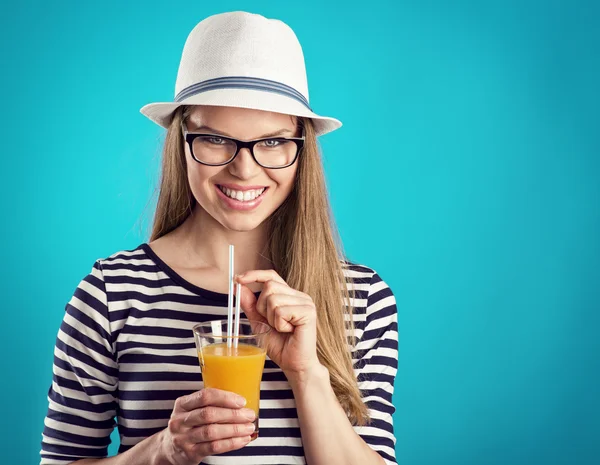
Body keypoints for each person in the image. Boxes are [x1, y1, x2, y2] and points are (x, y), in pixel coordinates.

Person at [40, 11, 398, 465]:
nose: (244, 169)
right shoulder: (112, 293)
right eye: (214, 139)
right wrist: (162, 450)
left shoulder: (364, 299)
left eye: (271, 142)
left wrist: (307, 373)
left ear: (301, 148)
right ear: (181, 140)